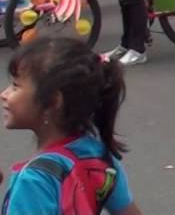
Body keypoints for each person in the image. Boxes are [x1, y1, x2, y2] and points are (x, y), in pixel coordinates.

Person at [2, 38, 140, 215]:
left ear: (52, 102)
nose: (3, 94)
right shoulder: (100, 155)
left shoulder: (34, 180)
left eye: (15, 86)